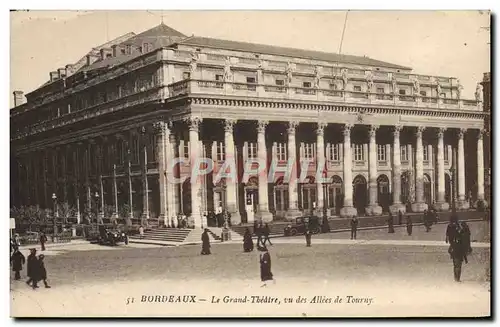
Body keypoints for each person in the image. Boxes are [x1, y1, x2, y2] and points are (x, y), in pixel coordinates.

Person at [446, 214, 467, 282]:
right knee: (458, 264)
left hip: (453, 247)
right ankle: (457, 278)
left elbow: (447, 238)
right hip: (458, 247)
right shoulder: (458, 227)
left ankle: (456, 277)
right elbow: (462, 235)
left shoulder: (449, 226)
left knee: (455, 264)